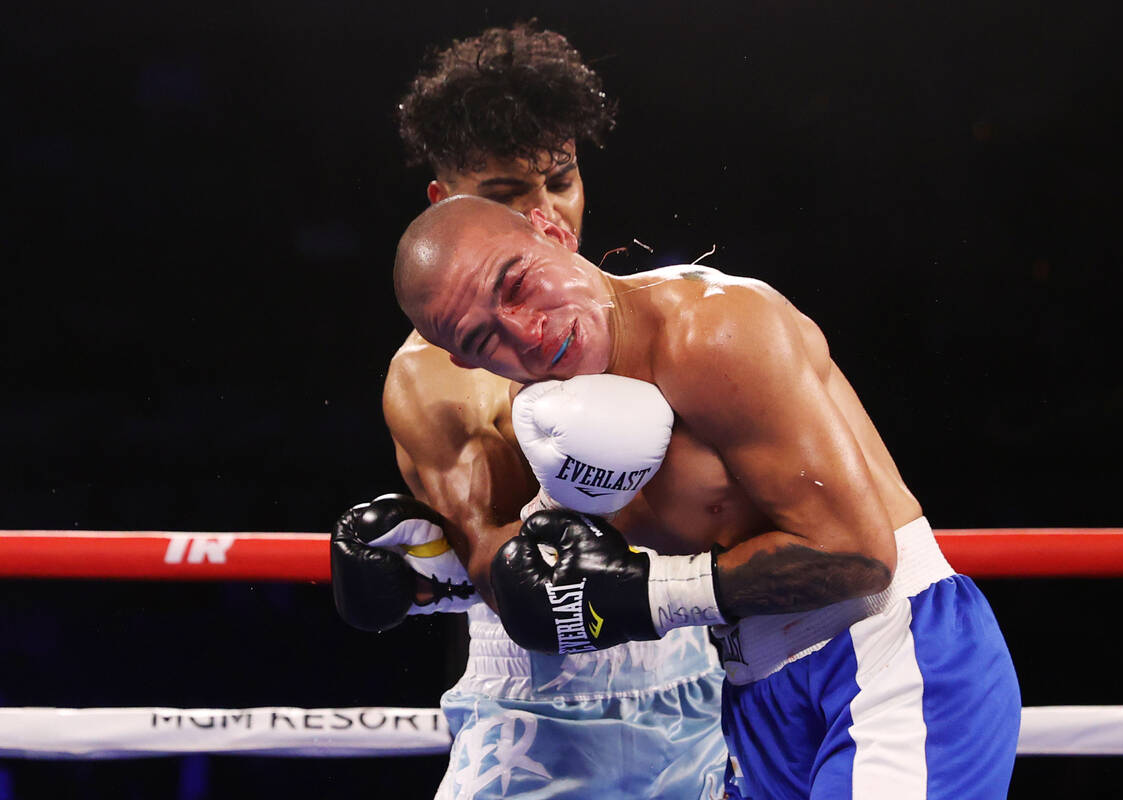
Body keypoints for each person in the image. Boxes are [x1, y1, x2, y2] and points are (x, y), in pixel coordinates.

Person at [393, 195, 1023, 800]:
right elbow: (565, 577)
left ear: (553, 234)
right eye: (484, 340)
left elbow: (860, 555)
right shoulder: (547, 419)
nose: (526, 333)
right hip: (757, 695)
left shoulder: (712, 328)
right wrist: (432, 574)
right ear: (465, 360)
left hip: (888, 651)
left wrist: (645, 596)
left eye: (518, 284)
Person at [331, 23, 727, 800]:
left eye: (562, 180)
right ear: (446, 205)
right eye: (508, 196)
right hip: (534, 719)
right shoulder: (436, 375)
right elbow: (509, 579)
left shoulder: (668, 323)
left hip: (698, 695)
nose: (549, 217)